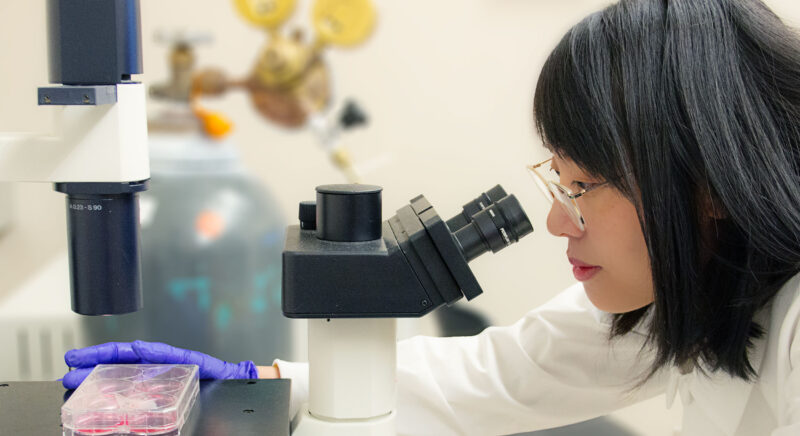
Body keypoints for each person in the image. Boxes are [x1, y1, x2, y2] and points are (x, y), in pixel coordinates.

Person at [63, 0, 800, 434]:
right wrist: (256, 378)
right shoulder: (693, 291)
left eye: (582, 187)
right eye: (558, 179)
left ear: (708, 184)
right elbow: (501, 373)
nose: (553, 222)